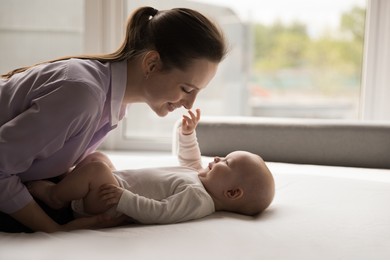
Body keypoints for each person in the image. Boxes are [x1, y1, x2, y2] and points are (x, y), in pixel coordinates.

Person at [0, 7, 227, 232]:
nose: (189, 104)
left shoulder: (111, 103)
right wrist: (55, 230)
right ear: (151, 64)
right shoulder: (83, 96)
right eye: (187, 89)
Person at [27, 109, 275, 228]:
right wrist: (187, 134)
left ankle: (56, 196)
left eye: (226, 162)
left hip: (111, 200)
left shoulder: (198, 199)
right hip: (115, 187)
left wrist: (125, 198)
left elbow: (160, 212)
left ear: (232, 193)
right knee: (99, 159)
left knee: (97, 171)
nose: (219, 158)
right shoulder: (200, 179)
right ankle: (73, 184)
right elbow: (190, 161)